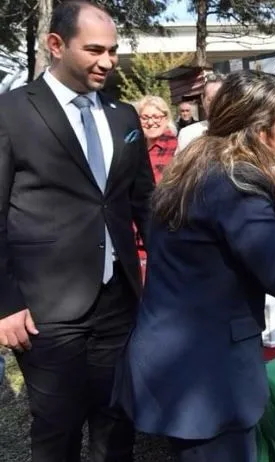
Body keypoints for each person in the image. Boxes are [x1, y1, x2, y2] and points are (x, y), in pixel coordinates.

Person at [112, 70, 275, 461]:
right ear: (259, 131)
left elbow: (244, 235)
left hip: (177, 364)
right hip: (204, 379)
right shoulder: (237, 181)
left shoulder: (203, 162)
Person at [0, 1, 154, 460]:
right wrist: (7, 305)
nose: (108, 61)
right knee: (58, 430)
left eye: (113, 50)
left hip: (119, 301)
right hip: (46, 310)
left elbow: (144, 204)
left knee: (116, 422)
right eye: (94, 50)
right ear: (55, 45)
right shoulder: (10, 113)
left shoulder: (124, 116)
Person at [176, 73, 224, 153]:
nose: (216, 104)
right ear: (203, 100)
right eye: (211, 100)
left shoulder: (240, 132)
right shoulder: (188, 134)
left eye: (220, 99)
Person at [136, 95, 177, 182]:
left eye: (156, 117)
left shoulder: (174, 147)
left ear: (166, 119)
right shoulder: (136, 145)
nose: (150, 122)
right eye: (144, 118)